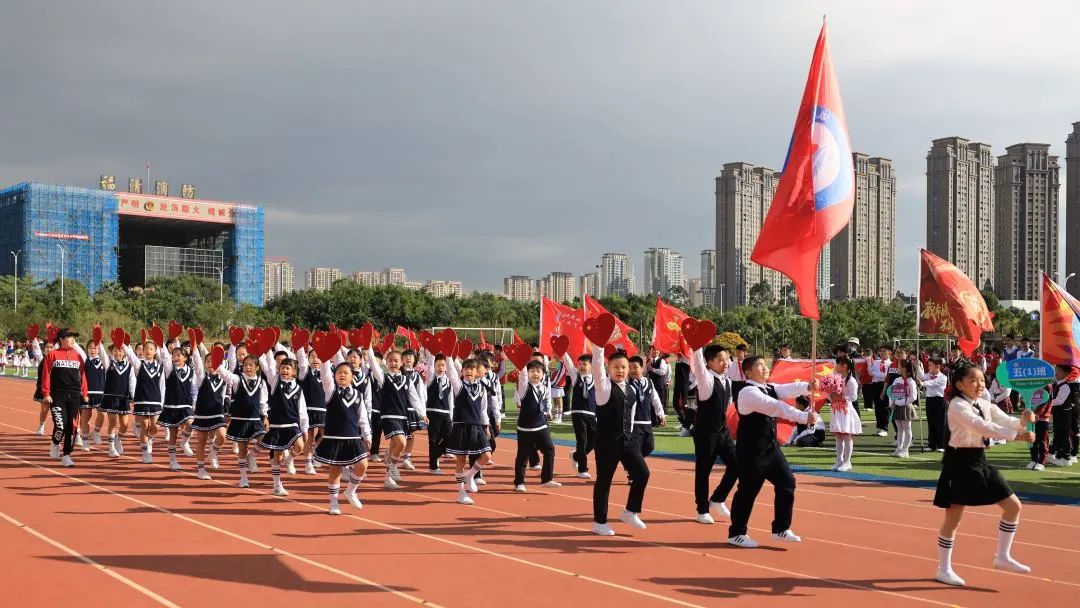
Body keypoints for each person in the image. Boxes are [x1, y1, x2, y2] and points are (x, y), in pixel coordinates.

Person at [933, 363, 1036, 586]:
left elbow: (1004, 419)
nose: (979, 384)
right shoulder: (957, 406)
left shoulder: (984, 403)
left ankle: (1002, 556)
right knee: (953, 518)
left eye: (981, 380)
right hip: (959, 463)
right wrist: (1016, 436)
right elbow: (981, 426)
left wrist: (1022, 421)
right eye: (973, 380)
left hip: (979, 460)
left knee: (1013, 506)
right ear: (959, 384)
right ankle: (944, 569)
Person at [728, 356, 817, 548]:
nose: (765, 367)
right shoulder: (748, 392)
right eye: (759, 365)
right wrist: (803, 417)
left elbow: (786, 389)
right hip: (751, 450)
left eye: (765, 364)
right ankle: (736, 533)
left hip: (771, 447)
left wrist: (807, 386)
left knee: (787, 482)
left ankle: (781, 529)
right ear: (748, 372)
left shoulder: (769, 387)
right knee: (748, 490)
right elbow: (775, 407)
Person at [591, 348, 651, 536]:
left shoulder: (631, 389)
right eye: (616, 367)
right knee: (604, 481)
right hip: (607, 442)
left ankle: (630, 512)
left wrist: (631, 436)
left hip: (627, 440)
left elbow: (630, 416)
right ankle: (599, 522)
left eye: (624, 367)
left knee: (642, 473)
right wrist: (598, 348)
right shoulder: (604, 388)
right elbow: (597, 369)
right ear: (608, 368)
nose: (621, 370)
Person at [314, 359, 371, 514]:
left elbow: (363, 418)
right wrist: (325, 359)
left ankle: (351, 491)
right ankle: (333, 502)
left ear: (352, 376)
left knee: (363, 464)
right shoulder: (330, 391)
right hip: (334, 437)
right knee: (335, 470)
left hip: (353, 437)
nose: (342, 375)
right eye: (339, 372)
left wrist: (367, 435)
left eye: (346, 373)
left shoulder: (358, 395)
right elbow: (325, 375)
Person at [688, 344, 737, 524]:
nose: (725, 363)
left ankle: (717, 499)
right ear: (709, 362)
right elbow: (699, 365)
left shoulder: (727, 381)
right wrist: (697, 345)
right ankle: (702, 510)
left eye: (727, 359)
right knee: (703, 471)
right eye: (720, 360)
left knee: (737, 464)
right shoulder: (706, 380)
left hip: (723, 431)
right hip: (706, 433)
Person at [368, 348, 427, 489]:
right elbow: (374, 365)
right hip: (388, 417)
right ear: (386, 362)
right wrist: (369, 348)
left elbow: (414, 398)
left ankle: (390, 469)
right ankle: (391, 472)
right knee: (401, 442)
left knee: (396, 446)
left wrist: (422, 414)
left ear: (401, 363)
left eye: (396, 361)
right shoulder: (383, 378)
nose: (393, 363)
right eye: (390, 361)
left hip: (402, 417)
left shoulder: (407, 380)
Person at [257, 350, 309, 496]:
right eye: (282, 368)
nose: (285, 370)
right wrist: (266, 350)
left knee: (300, 446)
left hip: (292, 424)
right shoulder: (275, 382)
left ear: (294, 372)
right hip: (277, 425)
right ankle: (277, 485)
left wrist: (304, 427)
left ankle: (289, 459)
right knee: (277, 455)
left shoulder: (299, 389)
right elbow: (268, 367)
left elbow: (302, 410)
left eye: (288, 368)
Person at [444, 354, 493, 505]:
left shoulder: (482, 388)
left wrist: (486, 426)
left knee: (486, 455)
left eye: (472, 369)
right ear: (462, 371)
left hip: (477, 426)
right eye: (466, 369)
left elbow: (483, 410)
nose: (469, 371)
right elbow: (451, 373)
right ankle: (461, 492)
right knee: (461, 460)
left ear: (477, 372)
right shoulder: (459, 386)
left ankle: (470, 475)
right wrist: (448, 356)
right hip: (461, 426)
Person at [40, 329, 89, 467]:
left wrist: (84, 393)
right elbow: (46, 374)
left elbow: (82, 375)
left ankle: (67, 455)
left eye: (74, 337)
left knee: (71, 427)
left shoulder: (78, 356)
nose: (73, 339)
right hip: (58, 395)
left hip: (74, 396)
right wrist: (46, 393)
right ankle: (55, 442)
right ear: (61, 339)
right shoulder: (52, 355)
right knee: (61, 425)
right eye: (69, 337)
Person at [512, 360, 560, 492]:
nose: (535, 374)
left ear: (543, 374)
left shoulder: (543, 387)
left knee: (549, 449)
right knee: (523, 456)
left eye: (538, 371)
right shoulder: (524, 387)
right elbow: (523, 377)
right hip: (525, 428)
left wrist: (548, 411)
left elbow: (546, 399)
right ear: (527, 373)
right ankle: (519, 482)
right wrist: (522, 363)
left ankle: (547, 479)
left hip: (541, 425)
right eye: (532, 371)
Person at [224, 353, 268, 487]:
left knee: (264, 438)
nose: (248, 367)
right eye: (245, 365)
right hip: (240, 419)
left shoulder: (261, 382)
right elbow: (227, 376)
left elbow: (263, 401)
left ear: (257, 367)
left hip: (255, 419)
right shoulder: (238, 379)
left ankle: (252, 456)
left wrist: (265, 416)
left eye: (251, 365)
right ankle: (243, 478)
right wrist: (218, 365)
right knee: (242, 448)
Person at [189, 344, 232, 480]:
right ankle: (201, 469)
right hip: (202, 413)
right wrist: (195, 348)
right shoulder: (202, 377)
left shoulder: (224, 377)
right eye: (207, 361)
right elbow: (197, 363)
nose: (210, 364)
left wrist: (233, 345)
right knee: (201, 441)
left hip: (217, 412)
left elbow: (231, 360)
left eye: (213, 361)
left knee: (222, 436)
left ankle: (213, 452)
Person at [123, 338, 168, 464]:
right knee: (145, 426)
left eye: (151, 349)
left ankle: (149, 439)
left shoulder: (160, 367)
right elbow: (131, 357)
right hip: (142, 400)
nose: (148, 351)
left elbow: (162, 386)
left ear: (155, 351)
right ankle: (145, 453)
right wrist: (123, 345)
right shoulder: (139, 365)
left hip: (155, 401)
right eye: (146, 348)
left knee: (155, 427)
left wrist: (162, 403)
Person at [159, 341, 197, 470]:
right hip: (172, 406)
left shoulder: (191, 372)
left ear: (185, 358)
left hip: (186, 405)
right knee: (173, 434)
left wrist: (194, 403)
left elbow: (194, 390)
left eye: (178, 355)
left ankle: (184, 442)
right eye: (173, 355)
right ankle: (173, 461)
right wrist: (161, 344)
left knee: (191, 423)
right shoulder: (170, 370)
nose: (175, 357)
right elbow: (165, 358)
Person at [98, 343, 135, 457]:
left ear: (124, 352)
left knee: (125, 425)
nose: (118, 352)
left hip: (123, 398)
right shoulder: (109, 363)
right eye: (116, 350)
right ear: (112, 351)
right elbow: (102, 354)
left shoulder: (130, 366)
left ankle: (118, 440)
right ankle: (111, 448)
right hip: (110, 398)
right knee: (113, 423)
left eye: (121, 350)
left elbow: (132, 383)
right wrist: (99, 343)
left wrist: (134, 397)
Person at [563, 351, 595, 479]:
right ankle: (582, 469)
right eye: (580, 364)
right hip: (578, 413)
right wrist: (564, 352)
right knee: (582, 440)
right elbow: (569, 364)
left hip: (592, 414)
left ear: (591, 366)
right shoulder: (575, 376)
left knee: (593, 441)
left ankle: (576, 456)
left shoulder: (597, 378)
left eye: (584, 364)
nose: (581, 366)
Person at [296, 345, 325, 475]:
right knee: (309, 436)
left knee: (327, 435)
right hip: (308, 409)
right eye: (312, 356)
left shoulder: (328, 372)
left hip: (324, 410)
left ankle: (317, 454)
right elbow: (302, 361)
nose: (315, 359)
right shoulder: (304, 372)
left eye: (318, 357)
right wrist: (300, 345)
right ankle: (308, 463)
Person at [828, 357, 861, 471]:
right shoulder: (835, 379)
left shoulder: (851, 380)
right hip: (836, 409)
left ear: (845, 366)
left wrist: (841, 397)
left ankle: (848, 461)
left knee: (846, 435)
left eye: (839, 364)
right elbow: (830, 393)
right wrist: (831, 396)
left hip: (846, 410)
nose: (836, 366)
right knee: (838, 436)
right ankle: (839, 460)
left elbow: (854, 397)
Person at [424, 353, 453, 474]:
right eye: (438, 365)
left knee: (450, 437)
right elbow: (430, 368)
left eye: (443, 365)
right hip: (433, 413)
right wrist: (432, 353)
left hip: (446, 413)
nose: (441, 367)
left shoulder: (449, 381)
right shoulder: (431, 379)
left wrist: (451, 415)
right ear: (434, 366)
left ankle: (434, 455)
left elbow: (451, 399)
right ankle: (433, 466)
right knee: (434, 440)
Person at [888, 360, 919, 458]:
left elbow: (913, 397)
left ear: (908, 371)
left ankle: (905, 450)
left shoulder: (911, 382)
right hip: (896, 407)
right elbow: (891, 393)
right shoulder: (897, 380)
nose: (899, 369)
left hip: (906, 407)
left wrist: (899, 402)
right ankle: (899, 448)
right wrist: (891, 403)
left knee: (907, 428)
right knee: (899, 428)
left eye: (901, 367)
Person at [1048, 364, 1076, 467]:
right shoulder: (1055, 383)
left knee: (1063, 435)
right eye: (1056, 370)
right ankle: (1056, 455)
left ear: (1066, 374)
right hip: (1057, 413)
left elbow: (1059, 401)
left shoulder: (1065, 386)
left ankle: (1066, 457)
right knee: (1057, 433)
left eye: (1059, 371)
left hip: (1064, 413)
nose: (1056, 373)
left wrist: (1047, 402)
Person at [923, 358, 948, 452]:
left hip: (940, 400)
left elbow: (933, 383)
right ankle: (932, 445)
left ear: (938, 366)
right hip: (930, 400)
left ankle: (941, 445)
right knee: (931, 422)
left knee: (941, 423)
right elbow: (920, 376)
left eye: (931, 365)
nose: (929, 366)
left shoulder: (943, 377)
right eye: (929, 364)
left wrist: (922, 383)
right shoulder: (927, 375)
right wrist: (918, 366)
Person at [1026, 385, 1052, 471]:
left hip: (1042, 418)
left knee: (1042, 441)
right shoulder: (1031, 385)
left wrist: (1038, 414)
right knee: (1032, 439)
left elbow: (1047, 402)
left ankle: (1041, 462)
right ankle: (1033, 460)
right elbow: (1027, 398)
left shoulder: (1047, 386)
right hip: (1031, 417)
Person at [869, 346, 892, 437]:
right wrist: (878, 374)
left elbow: (886, 376)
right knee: (877, 406)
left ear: (889, 353)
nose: (881, 353)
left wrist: (876, 374)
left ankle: (884, 428)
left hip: (884, 385)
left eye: (884, 351)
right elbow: (870, 372)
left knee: (885, 407)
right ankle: (879, 427)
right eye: (880, 351)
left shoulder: (890, 364)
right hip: (875, 385)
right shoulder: (876, 362)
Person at [646, 347, 671, 416]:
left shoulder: (662, 361)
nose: (655, 351)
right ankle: (653, 418)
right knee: (651, 402)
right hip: (650, 385)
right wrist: (647, 369)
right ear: (650, 351)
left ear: (659, 351)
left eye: (657, 350)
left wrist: (652, 369)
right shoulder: (648, 361)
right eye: (653, 350)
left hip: (659, 385)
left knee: (659, 401)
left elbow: (662, 372)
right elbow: (645, 373)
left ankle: (660, 418)